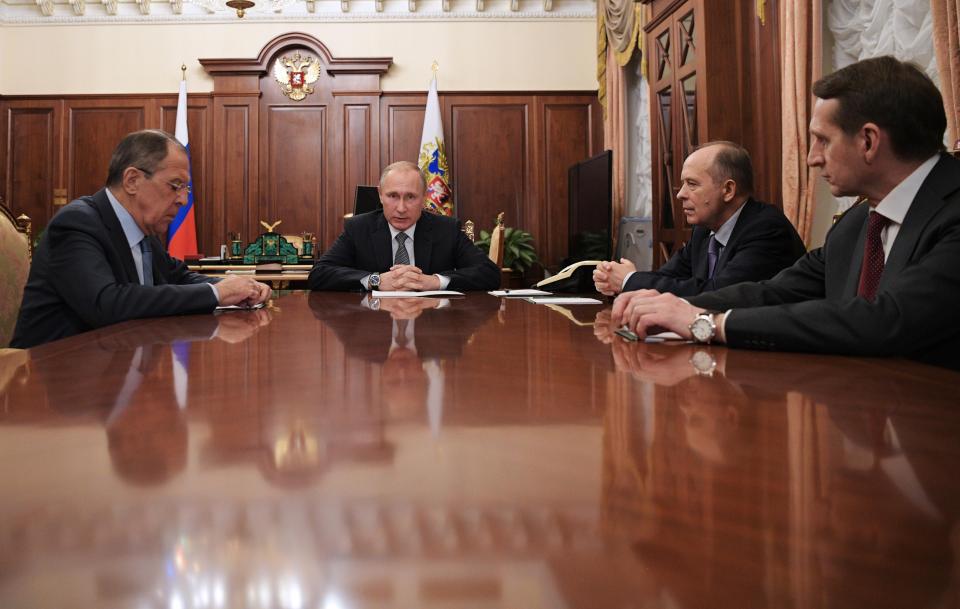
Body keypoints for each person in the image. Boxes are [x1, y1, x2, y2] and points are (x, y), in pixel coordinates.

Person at [610, 56, 960, 370]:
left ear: (868, 141)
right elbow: (773, 292)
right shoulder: (856, 224)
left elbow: (886, 320)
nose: (812, 158)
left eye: (823, 140)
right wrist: (670, 306)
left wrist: (709, 324)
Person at [12, 129, 271, 348]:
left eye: (185, 188)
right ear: (132, 180)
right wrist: (216, 293)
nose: (183, 199)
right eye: (175, 185)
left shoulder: (142, 230)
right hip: (53, 379)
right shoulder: (77, 224)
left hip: (117, 365)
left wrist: (238, 287)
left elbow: (179, 277)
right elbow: (106, 304)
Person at [593, 141, 805, 297]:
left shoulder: (766, 229)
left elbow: (719, 293)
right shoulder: (704, 231)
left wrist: (630, 280)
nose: (680, 194)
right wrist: (619, 281)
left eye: (692, 184)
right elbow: (669, 277)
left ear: (728, 190)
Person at [308, 160, 500, 292]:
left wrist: (434, 281)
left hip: (433, 329)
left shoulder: (446, 229)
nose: (401, 208)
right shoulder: (359, 228)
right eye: (393, 196)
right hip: (373, 328)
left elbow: (489, 274)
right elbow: (319, 275)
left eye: (410, 197)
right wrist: (376, 281)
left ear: (424, 197)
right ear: (380, 195)